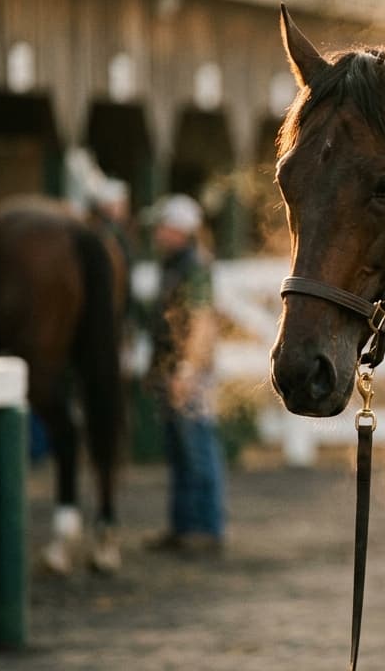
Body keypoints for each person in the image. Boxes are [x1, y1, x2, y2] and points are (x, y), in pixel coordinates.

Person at [144, 193, 226, 556]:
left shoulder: (193, 266)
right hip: (174, 369)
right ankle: (184, 527)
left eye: (163, 226)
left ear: (179, 230)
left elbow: (201, 321)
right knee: (181, 450)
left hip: (187, 372)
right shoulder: (177, 264)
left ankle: (205, 529)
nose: (157, 233)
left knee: (196, 448)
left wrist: (187, 370)